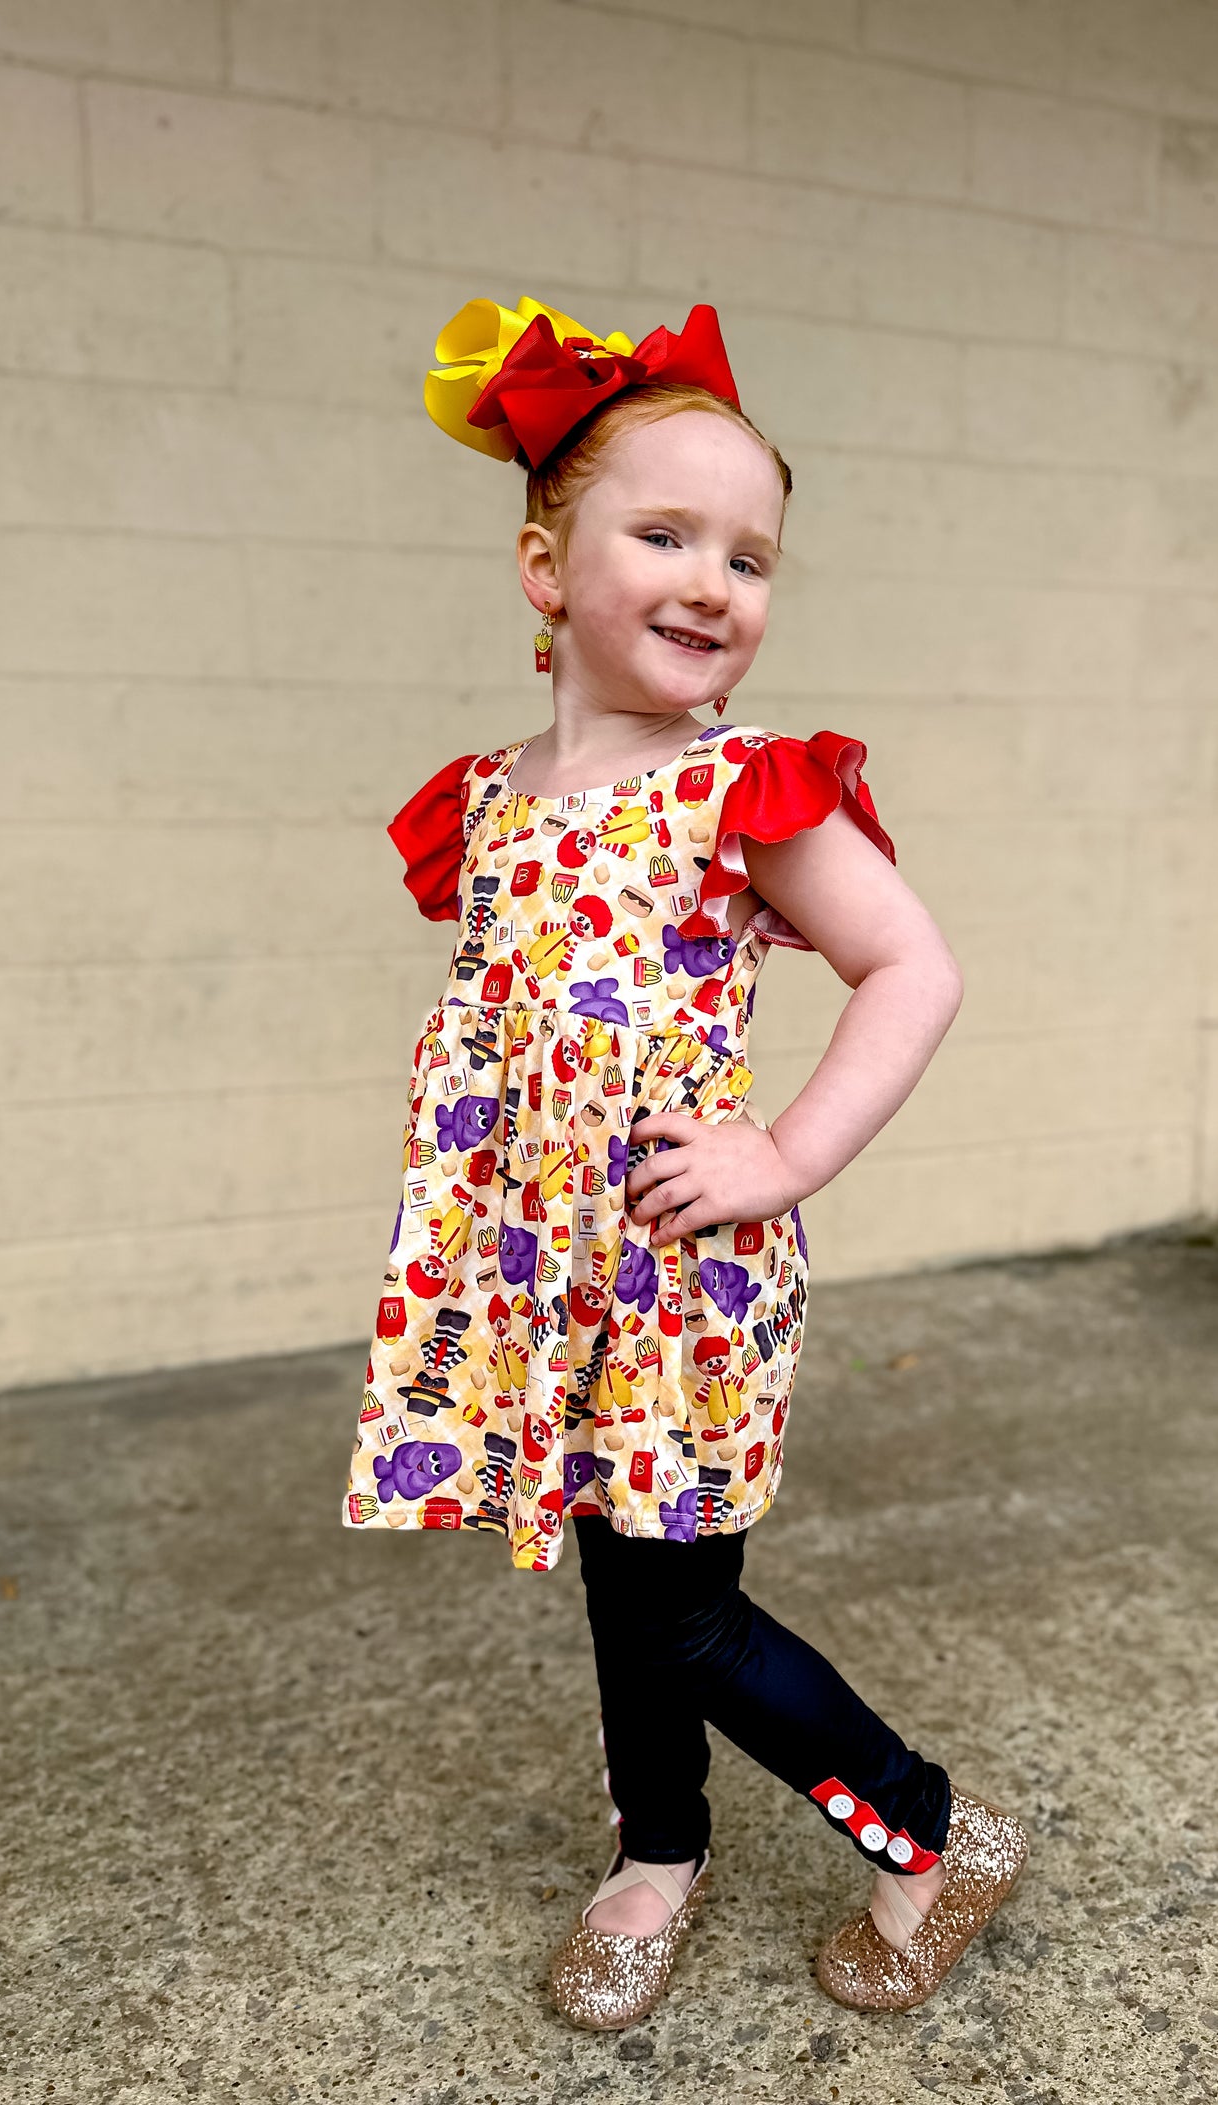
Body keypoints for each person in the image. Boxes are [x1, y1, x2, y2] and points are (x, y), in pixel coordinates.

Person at [339, 294, 1028, 2030]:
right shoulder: (492, 801)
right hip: (530, 1273)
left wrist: (784, 1149)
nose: (717, 580)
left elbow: (913, 969)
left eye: (751, 553)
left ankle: (930, 1833)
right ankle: (658, 1845)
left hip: (669, 1271)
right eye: (666, 534)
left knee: (681, 1617)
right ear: (543, 566)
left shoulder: (741, 791)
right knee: (618, 1572)